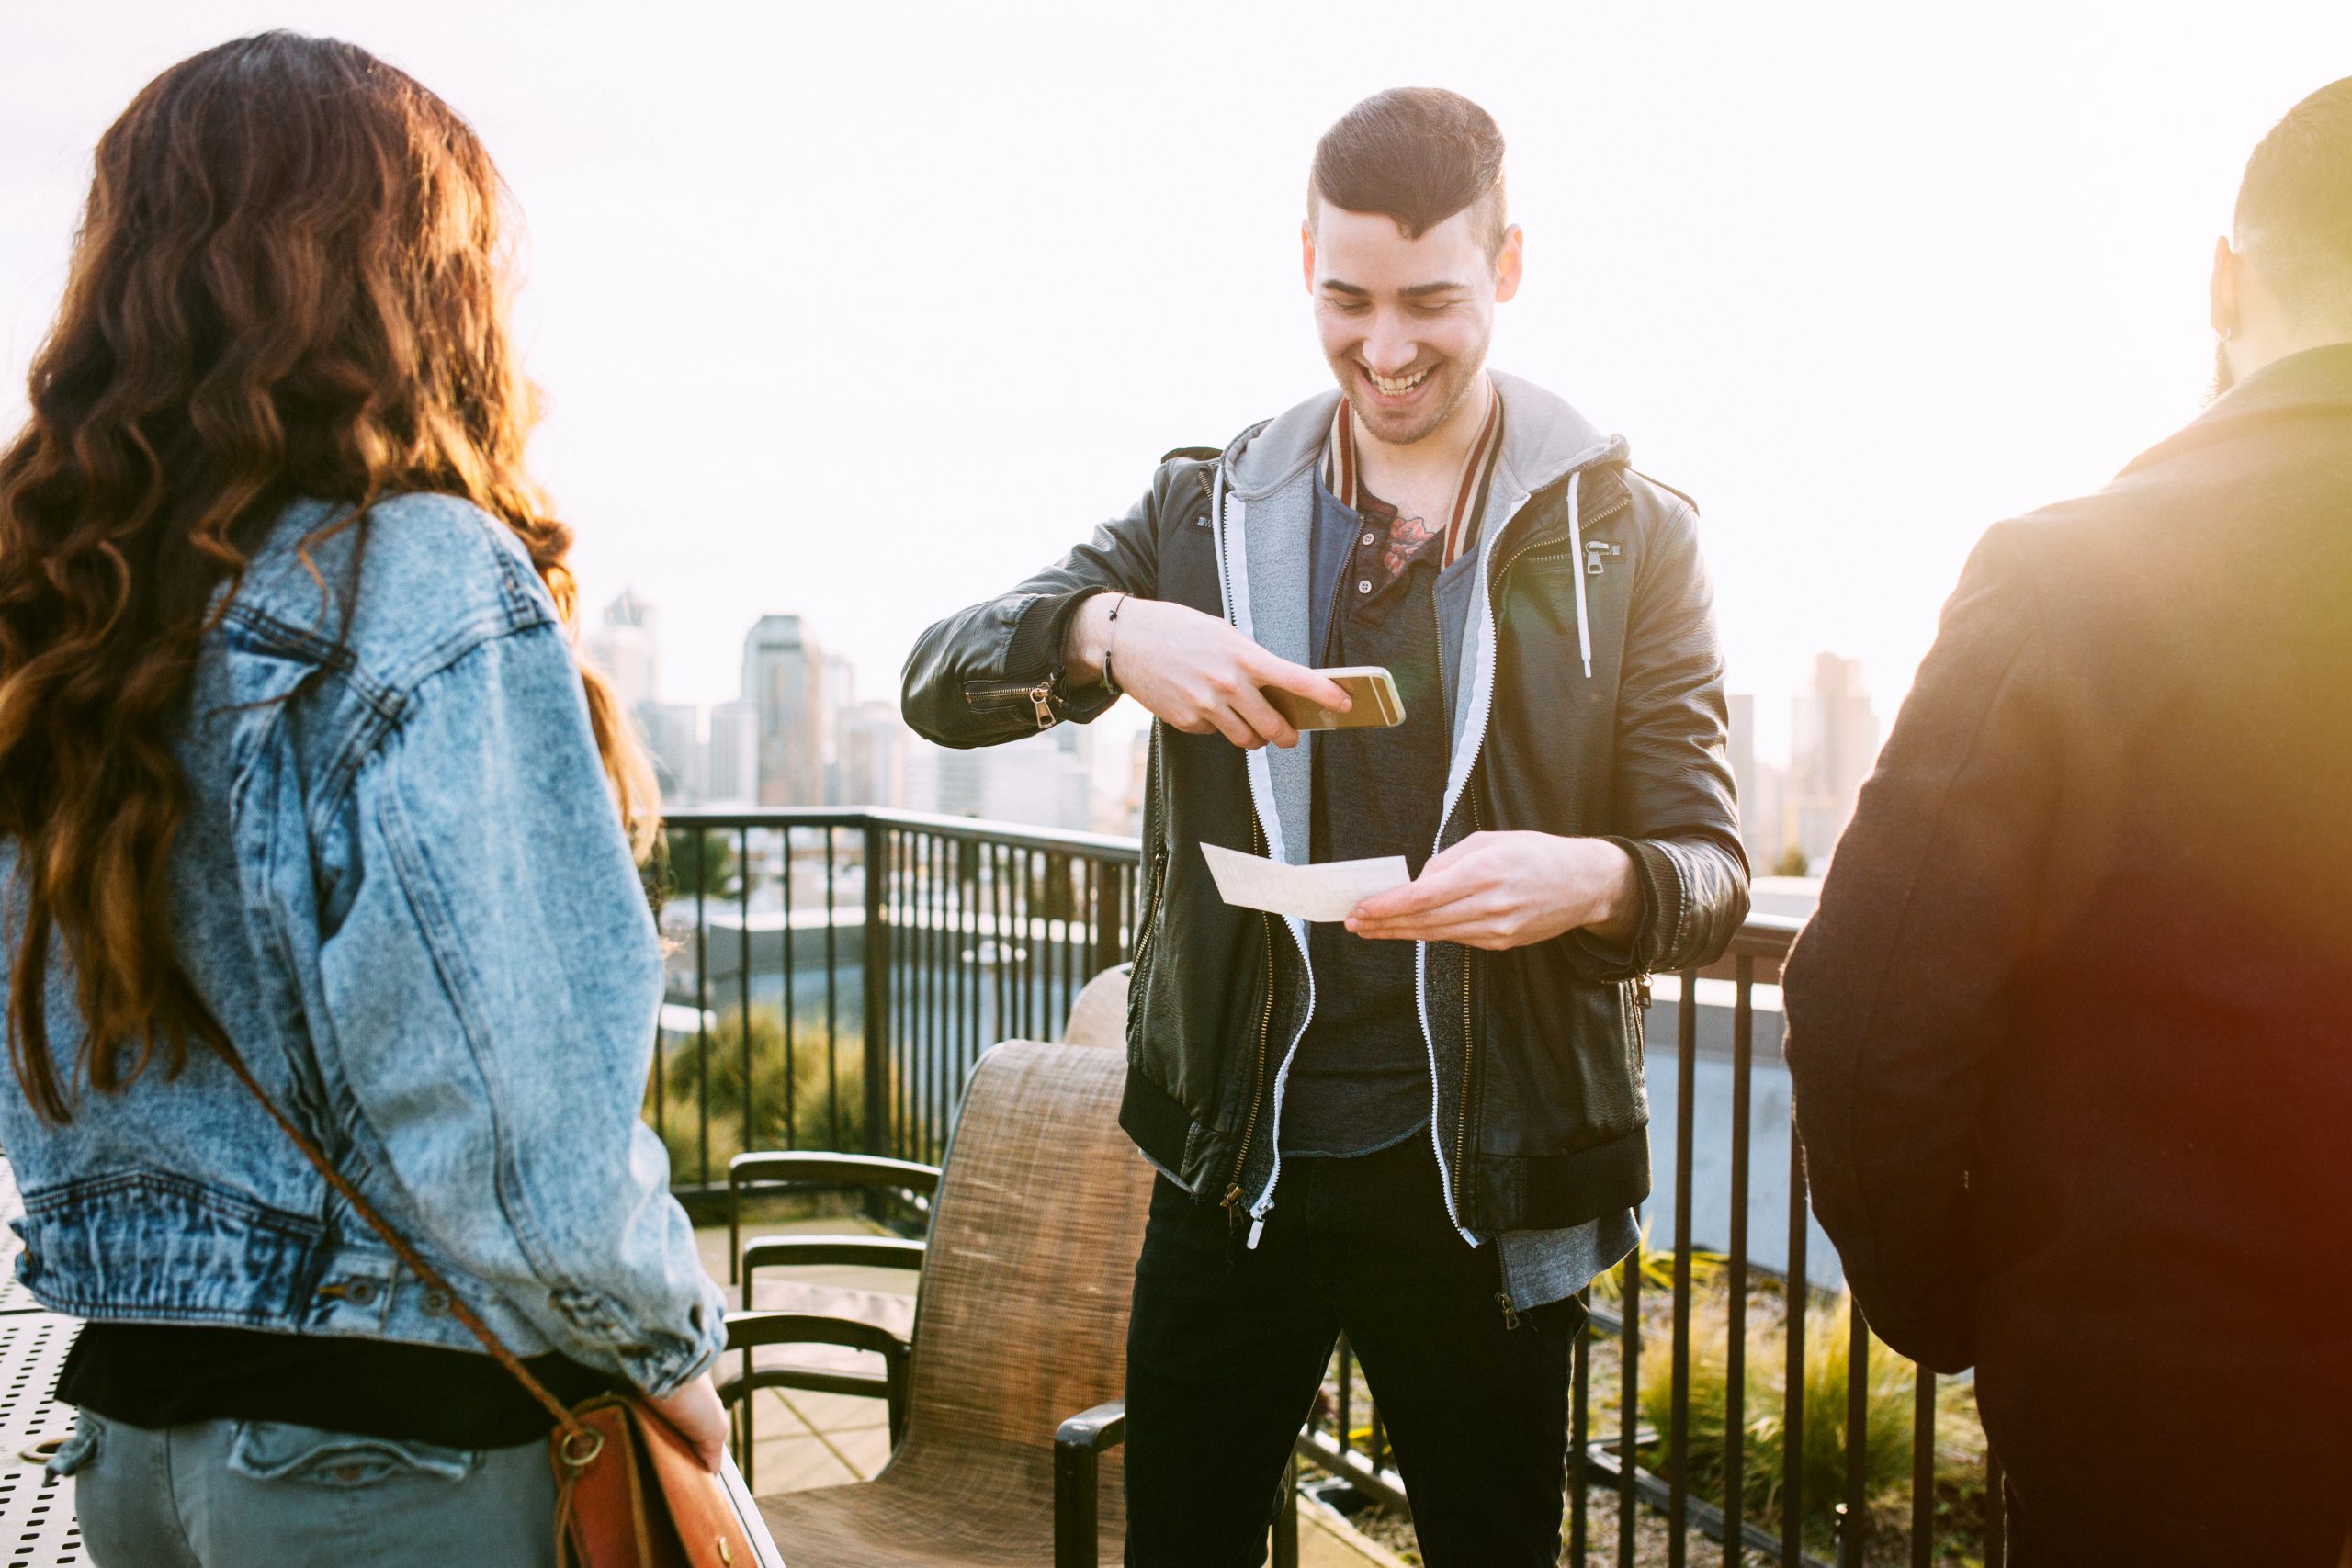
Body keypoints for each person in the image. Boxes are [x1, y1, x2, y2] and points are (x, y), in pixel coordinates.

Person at [904, 87, 1746, 1566]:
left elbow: (1711, 869)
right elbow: (938, 684)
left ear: (1511, 266)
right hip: (1238, 1171)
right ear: (1303, 262)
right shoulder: (1199, 514)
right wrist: (1109, 632)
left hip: (1487, 1192)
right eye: (1345, 300)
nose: (1387, 347)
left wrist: (1593, 878)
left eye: (1433, 301)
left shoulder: (1633, 541)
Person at [0, 34, 728, 1566]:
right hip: (394, 1466)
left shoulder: (56, 612)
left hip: (129, 1444)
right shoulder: (417, 583)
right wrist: (670, 1346)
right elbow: (511, 1121)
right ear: (411, 279)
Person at [1781, 78, 2352, 1567]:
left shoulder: (2069, 578)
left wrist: (1955, 1300)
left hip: (2148, 1411)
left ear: (2225, 281)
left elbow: (1867, 1006)